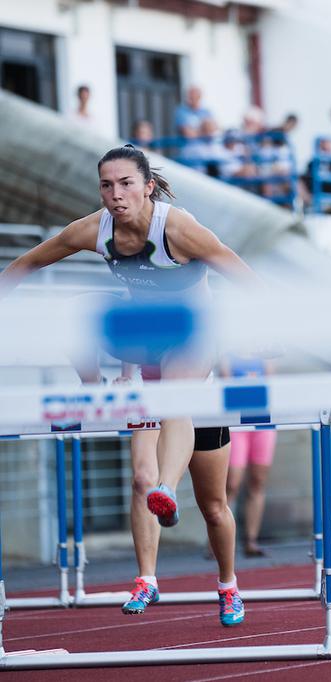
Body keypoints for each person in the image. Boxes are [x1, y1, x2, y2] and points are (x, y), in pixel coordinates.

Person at [0, 144, 258, 625]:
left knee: (216, 505)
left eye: (125, 184)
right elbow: (27, 264)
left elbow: (243, 275)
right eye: (106, 185)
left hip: (194, 336)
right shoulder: (93, 230)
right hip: (145, 347)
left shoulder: (177, 228)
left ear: (148, 187)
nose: (115, 195)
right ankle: (148, 570)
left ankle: (227, 585)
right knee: (140, 478)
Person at [222, 356, 277, 557]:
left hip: (263, 421)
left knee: (257, 481)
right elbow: (227, 381)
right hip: (236, 421)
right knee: (232, 483)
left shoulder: (264, 348)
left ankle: (251, 541)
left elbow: (270, 382)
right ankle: (218, 539)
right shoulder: (229, 350)